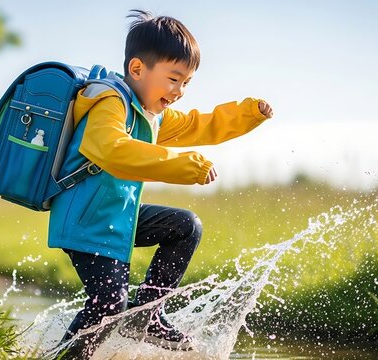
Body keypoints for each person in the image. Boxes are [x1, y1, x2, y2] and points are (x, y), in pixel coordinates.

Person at [47, 8, 274, 358]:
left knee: (185, 226)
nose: (180, 90)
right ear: (138, 69)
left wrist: (248, 114)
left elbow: (200, 125)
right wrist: (183, 166)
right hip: (86, 220)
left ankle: (148, 316)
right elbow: (110, 149)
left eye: (186, 82)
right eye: (174, 79)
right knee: (109, 305)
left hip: (117, 216)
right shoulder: (108, 102)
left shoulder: (151, 114)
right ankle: (63, 356)